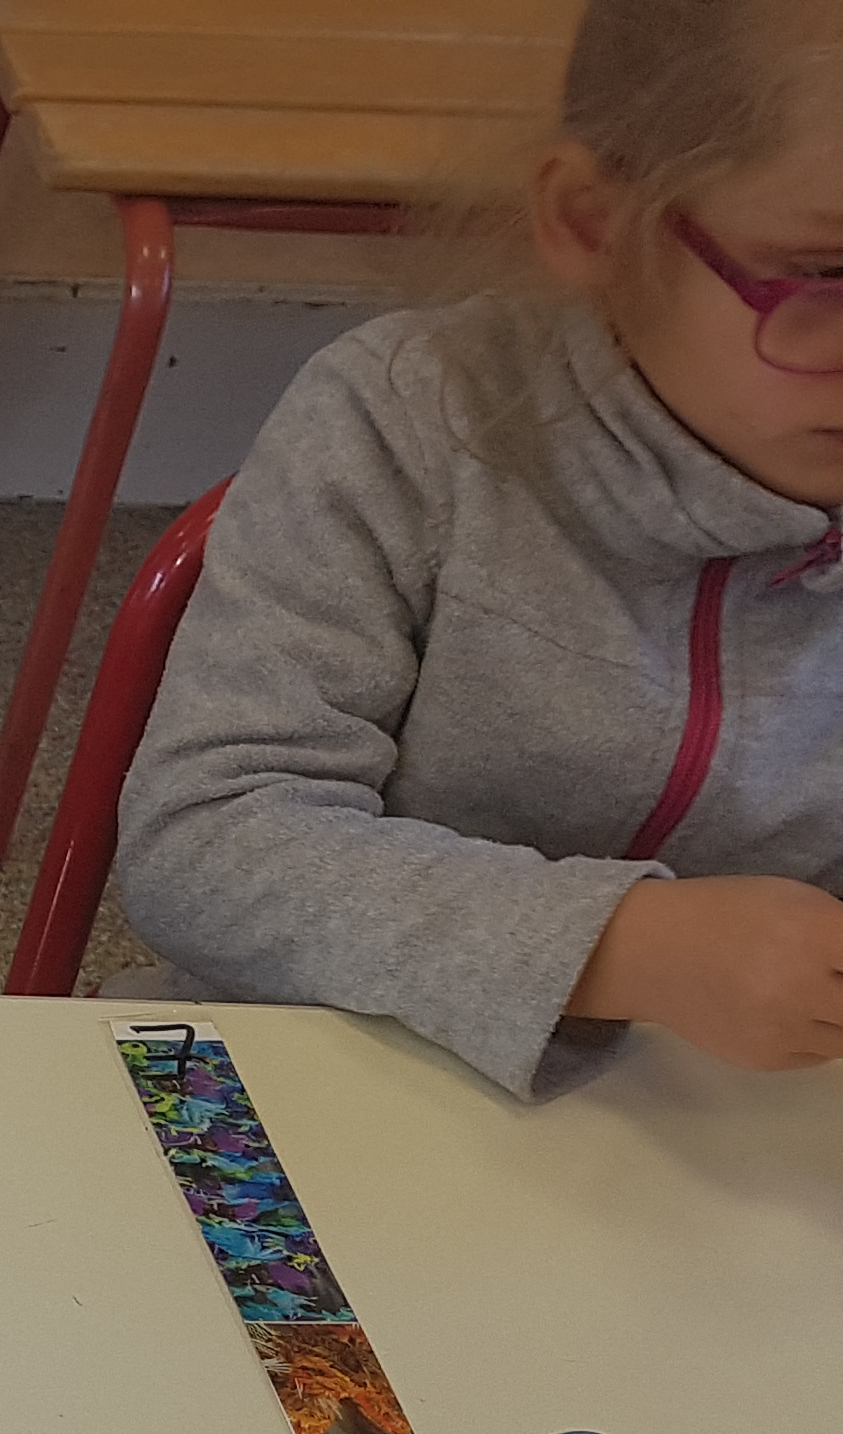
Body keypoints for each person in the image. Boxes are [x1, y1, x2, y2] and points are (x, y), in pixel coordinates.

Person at [118, 0, 843, 1098]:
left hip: (702, 1136)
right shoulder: (403, 421)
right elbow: (202, 847)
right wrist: (622, 946)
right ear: (595, 222)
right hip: (285, 1063)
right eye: (826, 274)